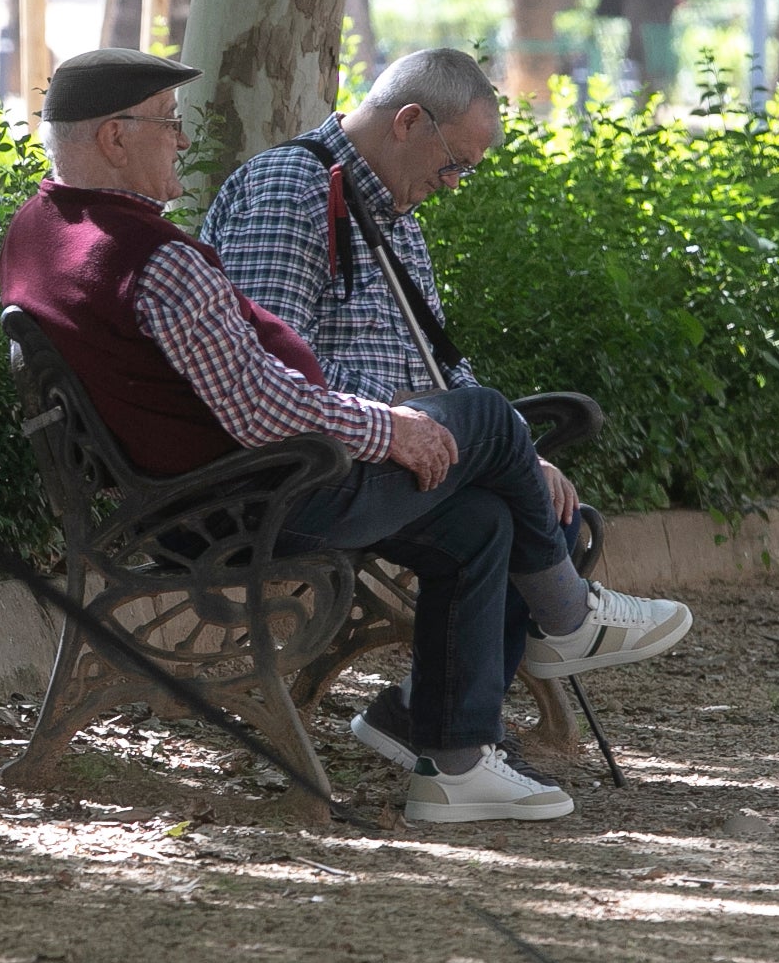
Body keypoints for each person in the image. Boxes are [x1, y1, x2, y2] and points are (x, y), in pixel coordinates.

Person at [0, 47, 692, 828]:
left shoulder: (43, 230)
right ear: (115, 139)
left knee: (482, 521)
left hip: (223, 490)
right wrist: (388, 428)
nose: (184, 143)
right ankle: (569, 617)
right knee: (492, 418)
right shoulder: (151, 257)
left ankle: (456, 766)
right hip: (266, 494)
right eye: (170, 124)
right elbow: (259, 407)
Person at [199, 47, 634, 772]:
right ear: (408, 122)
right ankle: (570, 614)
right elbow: (268, 364)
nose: (455, 185)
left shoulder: (393, 207)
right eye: (454, 164)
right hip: (294, 474)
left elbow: (440, 364)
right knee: (494, 429)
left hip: (367, 459)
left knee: (501, 511)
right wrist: (399, 411)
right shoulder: (291, 188)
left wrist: (522, 457)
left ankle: (436, 730)